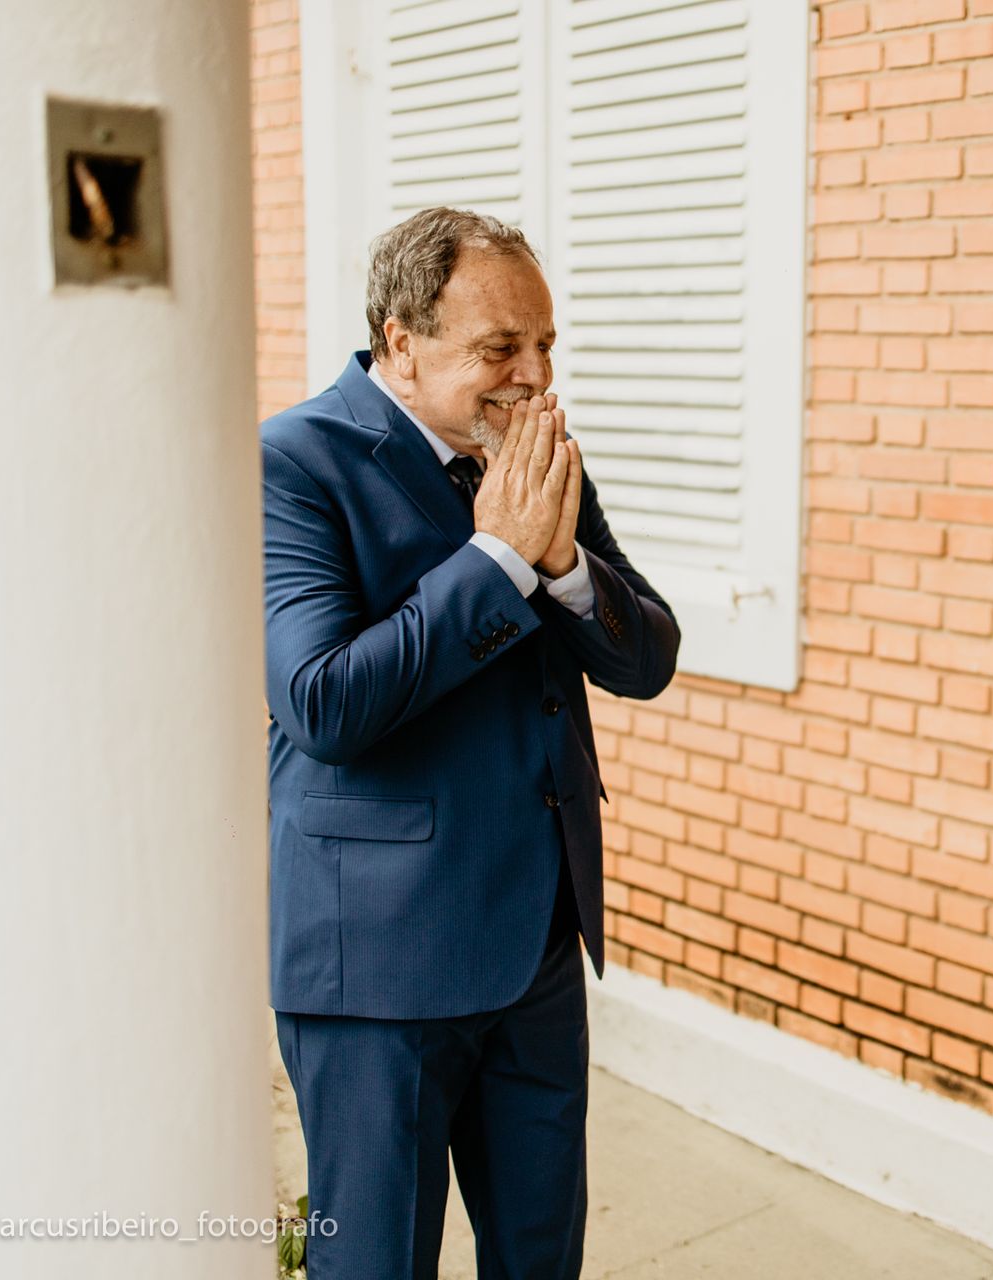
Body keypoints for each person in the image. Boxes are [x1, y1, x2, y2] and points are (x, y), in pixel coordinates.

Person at [262, 207, 679, 1279]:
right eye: (502, 348)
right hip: (378, 966)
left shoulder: (534, 451)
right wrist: (496, 555)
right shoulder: (292, 462)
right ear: (402, 338)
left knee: (541, 1256)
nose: (535, 374)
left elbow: (646, 655)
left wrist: (566, 566)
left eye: (545, 344)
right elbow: (323, 702)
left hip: (537, 941)